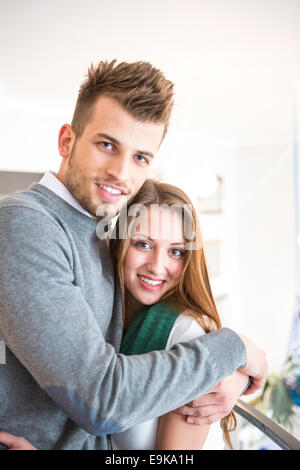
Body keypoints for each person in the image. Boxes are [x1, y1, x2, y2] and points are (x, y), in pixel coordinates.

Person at [0, 60, 267, 450]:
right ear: (66, 141)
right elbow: (102, 400)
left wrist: (231, 377)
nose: (120, 173)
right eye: (107, 145)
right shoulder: (26, 224)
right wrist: (235, 348)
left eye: (140, 157)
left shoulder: (100, 231)